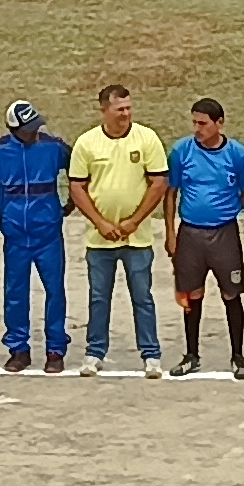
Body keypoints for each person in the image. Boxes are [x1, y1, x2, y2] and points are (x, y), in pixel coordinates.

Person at [66, 84, 169, 376]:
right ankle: (94, 353)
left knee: (142, 296)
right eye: (119, 109)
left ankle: (151, 355)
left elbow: (159, 183)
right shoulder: (87, 143)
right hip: (100, 239)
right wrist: (100, 223)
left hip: (138, 238)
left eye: (128, 108)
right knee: (99, 297)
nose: (125, 114)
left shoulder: (147, 138)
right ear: (104, 110)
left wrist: (134, 221)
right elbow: (77, 187)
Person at [164, 97, 244, 378]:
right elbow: (170, 193)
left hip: (225, 234)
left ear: (219, 123)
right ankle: (191, 355)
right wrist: (170, 233)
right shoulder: (181, 151)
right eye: (194, 122)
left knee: (231, 294)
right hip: (190, 234)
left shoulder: (237, 154)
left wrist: (224, 210)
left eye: (203, 123)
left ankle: (238, 356)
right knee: (192, 294)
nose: (197, 128)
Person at [0, 101, 73, 372]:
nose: (35, 132)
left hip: (48, 232)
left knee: (55, 290)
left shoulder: (54, 147)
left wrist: (69, 204)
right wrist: (2, 211)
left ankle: (55, 350)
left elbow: (79, 170)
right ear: (14, 128)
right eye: (28, 128)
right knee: (15, 292)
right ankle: (18, 349)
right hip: (16, 235)